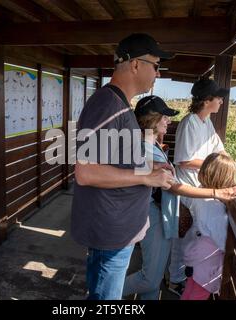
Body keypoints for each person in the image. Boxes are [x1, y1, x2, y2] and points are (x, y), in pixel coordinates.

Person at [71, 33, 175, 300]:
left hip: (117, 230)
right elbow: (86, 171)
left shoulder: (119, 105)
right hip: (112, 234)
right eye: (156, 65)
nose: (159, 73)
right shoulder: (108, 105)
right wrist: (146, 178)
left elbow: (115, 157)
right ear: (136, 64)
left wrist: (149, 167)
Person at [122, 96, 236, 300]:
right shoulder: (143, 149)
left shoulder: (152, 146)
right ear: (152, 119)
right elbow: (174, 187)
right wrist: (215, 193)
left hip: (158, 213)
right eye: (165, 117)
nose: (169, 121)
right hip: (152, 215)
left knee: (155, 275)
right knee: (150, 278)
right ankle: (103, 294)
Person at [167, 78, 230, 295]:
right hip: (187, 189)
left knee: (194, 234)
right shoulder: (190, 123)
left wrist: (229, 163)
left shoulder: (207, 122)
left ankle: (189, 276)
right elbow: (184, 160)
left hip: (201, 187)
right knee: (184, 235)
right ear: (206, 100)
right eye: (218, 97)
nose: (221, 101)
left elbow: (219, 149)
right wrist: (215, 165)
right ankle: (175, 279)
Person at [180, 153, 236, 300]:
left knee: (190, 290)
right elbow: (222, 240)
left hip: (196, 253)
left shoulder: (201, 192)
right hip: (207, 263)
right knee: (198, 295)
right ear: (225, 178)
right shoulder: (215, 207)